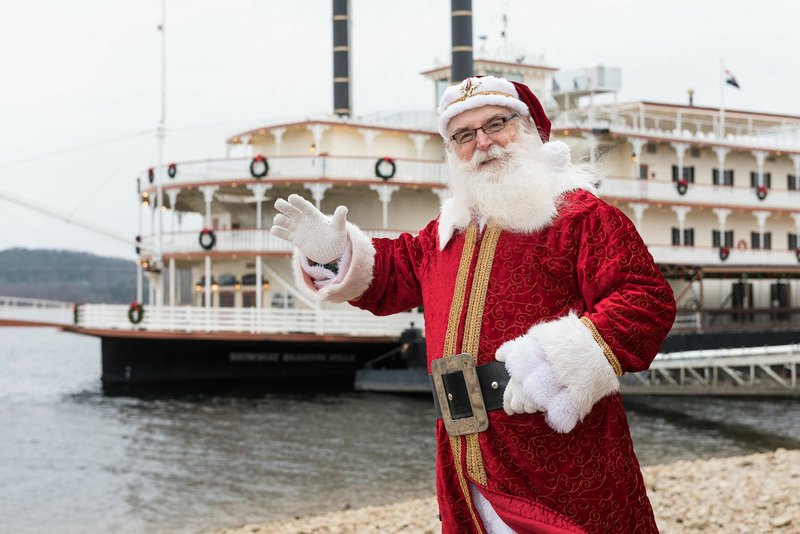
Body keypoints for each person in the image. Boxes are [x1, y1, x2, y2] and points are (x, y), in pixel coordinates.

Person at [271, 76, 676, 534]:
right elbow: (388, 275)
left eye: (495, 124)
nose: (482, 142)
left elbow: (645, 299)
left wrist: (557, 361)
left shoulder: (582, 216)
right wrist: (331, 252)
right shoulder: (445, 233)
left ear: (527, 130)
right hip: (465, 454)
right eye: (463, 135)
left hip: (556, 448)